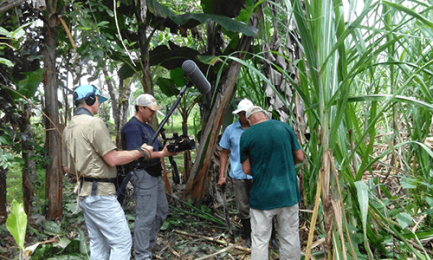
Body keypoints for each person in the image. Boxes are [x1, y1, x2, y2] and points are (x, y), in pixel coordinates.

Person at [62, 84, 154, 260]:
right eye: (97, 100)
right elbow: (112, 159)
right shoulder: (94, 123)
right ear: (89, 100)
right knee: (122, 243)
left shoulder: (69, 127)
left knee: (98, 243)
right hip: (100, 194)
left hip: (84, 193)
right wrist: (140, 152)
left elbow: (68, 168)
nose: (99, 104)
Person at [240, 106, 304, 260]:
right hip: (287, 193)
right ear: (264, 115)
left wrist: (262, 171)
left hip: (262, 196)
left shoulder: (247, 134)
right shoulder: (284, 127)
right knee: (289, 236)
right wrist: (285, 166)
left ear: (249, 120)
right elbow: (300, 157)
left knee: (260, 239)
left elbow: (246, 168)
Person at [121, 94, 176, 260]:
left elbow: (153, 148)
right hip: (142, 174)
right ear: (141, 108)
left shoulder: (147, 126)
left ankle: (147, 243)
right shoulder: (132, 128)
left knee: (161, 210)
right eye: (151, 111)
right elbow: (136, 154)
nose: (153, 114)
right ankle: (141, 254)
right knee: (145, 216)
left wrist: (167, 150)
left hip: (153, 173)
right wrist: (162, 154)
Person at [218, 98, 254, 247]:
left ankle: (269, 237)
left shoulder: (258, 128)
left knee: (263, 205)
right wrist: (222, 175)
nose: (244, 116)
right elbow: (224, 153)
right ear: (238, 114)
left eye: (247, 113)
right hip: (238, 174)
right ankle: (248, 236)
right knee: (243, 206)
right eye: (242, 114)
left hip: (257, 173)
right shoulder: (230, 130)